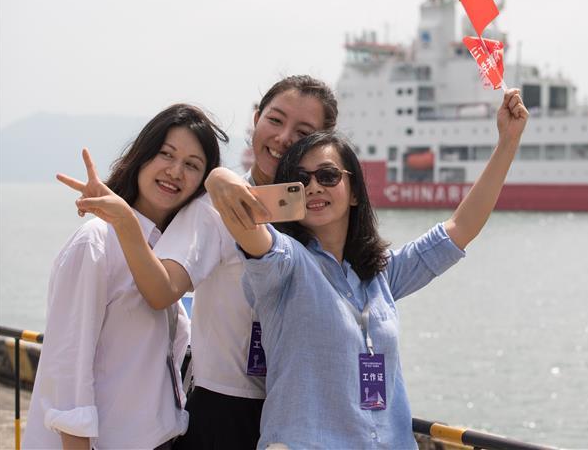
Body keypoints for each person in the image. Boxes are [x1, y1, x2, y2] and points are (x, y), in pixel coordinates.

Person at [208, 89, 528, 449]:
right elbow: (247, 229)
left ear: (355, 192)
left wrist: (508, 142)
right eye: (301, 179)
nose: (314, 186)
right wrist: (219, 177)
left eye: (328, 176)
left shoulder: (380, 274)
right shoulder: (287, 264)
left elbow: (460, 229)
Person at [100, 75, 338, 449]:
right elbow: (162, 289)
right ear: (256, 119)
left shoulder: (324, 219)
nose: (283, 137)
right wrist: (128, 224)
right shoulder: (212, 210)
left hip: (302, 415)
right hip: (224, 410)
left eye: (303, 130)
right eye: (274, 120)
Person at [23, 104, 228, 450]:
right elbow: (68, 372)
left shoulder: (170, 255)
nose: (175, 171)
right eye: (166, 154)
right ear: (142, 156)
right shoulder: (96, 242)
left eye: (192, 165)